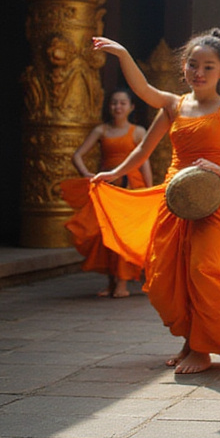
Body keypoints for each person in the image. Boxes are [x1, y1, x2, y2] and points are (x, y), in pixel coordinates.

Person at [70, 29, 220, 374]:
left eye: (208, 67)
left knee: (203, 269)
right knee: (166, 276)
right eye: (192, 65)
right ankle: (191, 342)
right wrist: (113, 173)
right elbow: (144, 143)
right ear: (184, 68)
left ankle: (202, 350)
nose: (198, 73)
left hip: (217, 199)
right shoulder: (174, 106)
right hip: (175, 198)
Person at [64, 89, 153, 298]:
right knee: (105, 235)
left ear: (131, 108)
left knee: (124, 237)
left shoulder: (138, 131)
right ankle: (111, 282)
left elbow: (144, 163)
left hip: (131, 189)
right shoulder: (101, 131)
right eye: (114, 103)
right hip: (108, 189)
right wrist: (87, 174)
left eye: (123, 103)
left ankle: (122, 283)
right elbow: (77, 155)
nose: (118, 107)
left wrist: (148, 191)